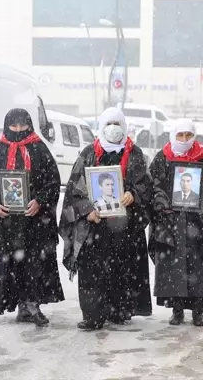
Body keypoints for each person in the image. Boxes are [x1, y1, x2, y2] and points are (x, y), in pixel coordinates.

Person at [60, 107, 152, 330]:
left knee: (122, 267)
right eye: (109, 123)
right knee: (92, 270)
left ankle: (118, 310)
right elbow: (75, 190)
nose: (113, 128)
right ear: (101, 126)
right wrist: (86, 211)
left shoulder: (135, 154)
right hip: (95, 226)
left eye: (117, 123)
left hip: (125, 226)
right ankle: (93, 315)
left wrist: (134, 195)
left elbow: (146, 186)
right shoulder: (89, 154)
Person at [0, 108, 64, 326]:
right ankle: (19, 305)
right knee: (12, 265)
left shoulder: (39, 149)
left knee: (34, 264)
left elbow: (53, 182)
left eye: (22, 126)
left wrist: (40, 201)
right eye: (13, 126)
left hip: (34, 221)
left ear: (29, 125)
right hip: (9, 223)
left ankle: (32, 304)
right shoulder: (0, 150)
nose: (18, 130)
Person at [148, 119, 203, 326]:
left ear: (194, 136)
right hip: (170, 224)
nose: (184, 140)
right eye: (180, 135)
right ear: (173, 135)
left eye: (188, 135)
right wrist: (164, 204)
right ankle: (177, 310)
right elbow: (153, 186)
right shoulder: (162, 158)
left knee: (199, 266)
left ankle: (198, 310)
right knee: (174, 268)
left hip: (199, 224)